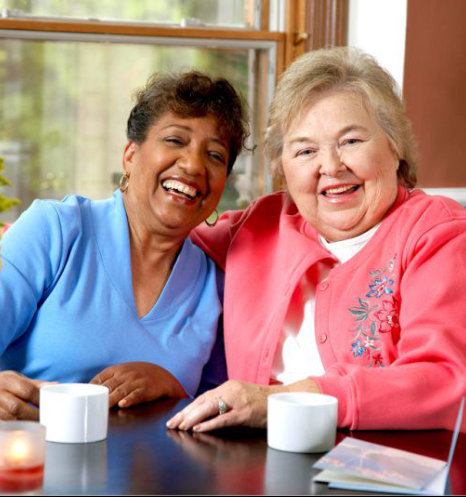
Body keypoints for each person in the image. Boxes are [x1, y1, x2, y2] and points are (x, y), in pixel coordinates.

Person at [167, 47, 466, 433]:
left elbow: (445, 382)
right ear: (283, 170)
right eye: (306, 150)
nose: (331, 166)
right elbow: (158, 237)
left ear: (395, 147)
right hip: (252, 468)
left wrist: (283, 400)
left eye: (351, 141)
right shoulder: (262, 223)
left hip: (382, 475)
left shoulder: (438, 233)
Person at [0, 71, 248, 420]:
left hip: (154, 474)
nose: (194, 164)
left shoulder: (218, 286)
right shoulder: (55, 230)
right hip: (29, 462)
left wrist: (169, 385)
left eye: (215, 156)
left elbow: (221, 411)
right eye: (176, 140)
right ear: (130, 155)